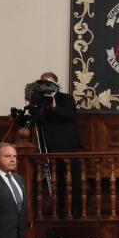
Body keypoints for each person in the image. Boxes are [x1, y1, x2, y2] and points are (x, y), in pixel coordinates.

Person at [38, 71, 82, 218]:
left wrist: (55, 108)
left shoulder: (66, 98)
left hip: (70, 147)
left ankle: (75, 210)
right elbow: (35, 119)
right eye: (43, 83)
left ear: (56, 84)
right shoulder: (40, 101)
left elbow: (71, 115)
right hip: (50, 148)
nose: (46, 86)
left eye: (48, 82)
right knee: (58, 182)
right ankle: (60, 210)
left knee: (73, 181)